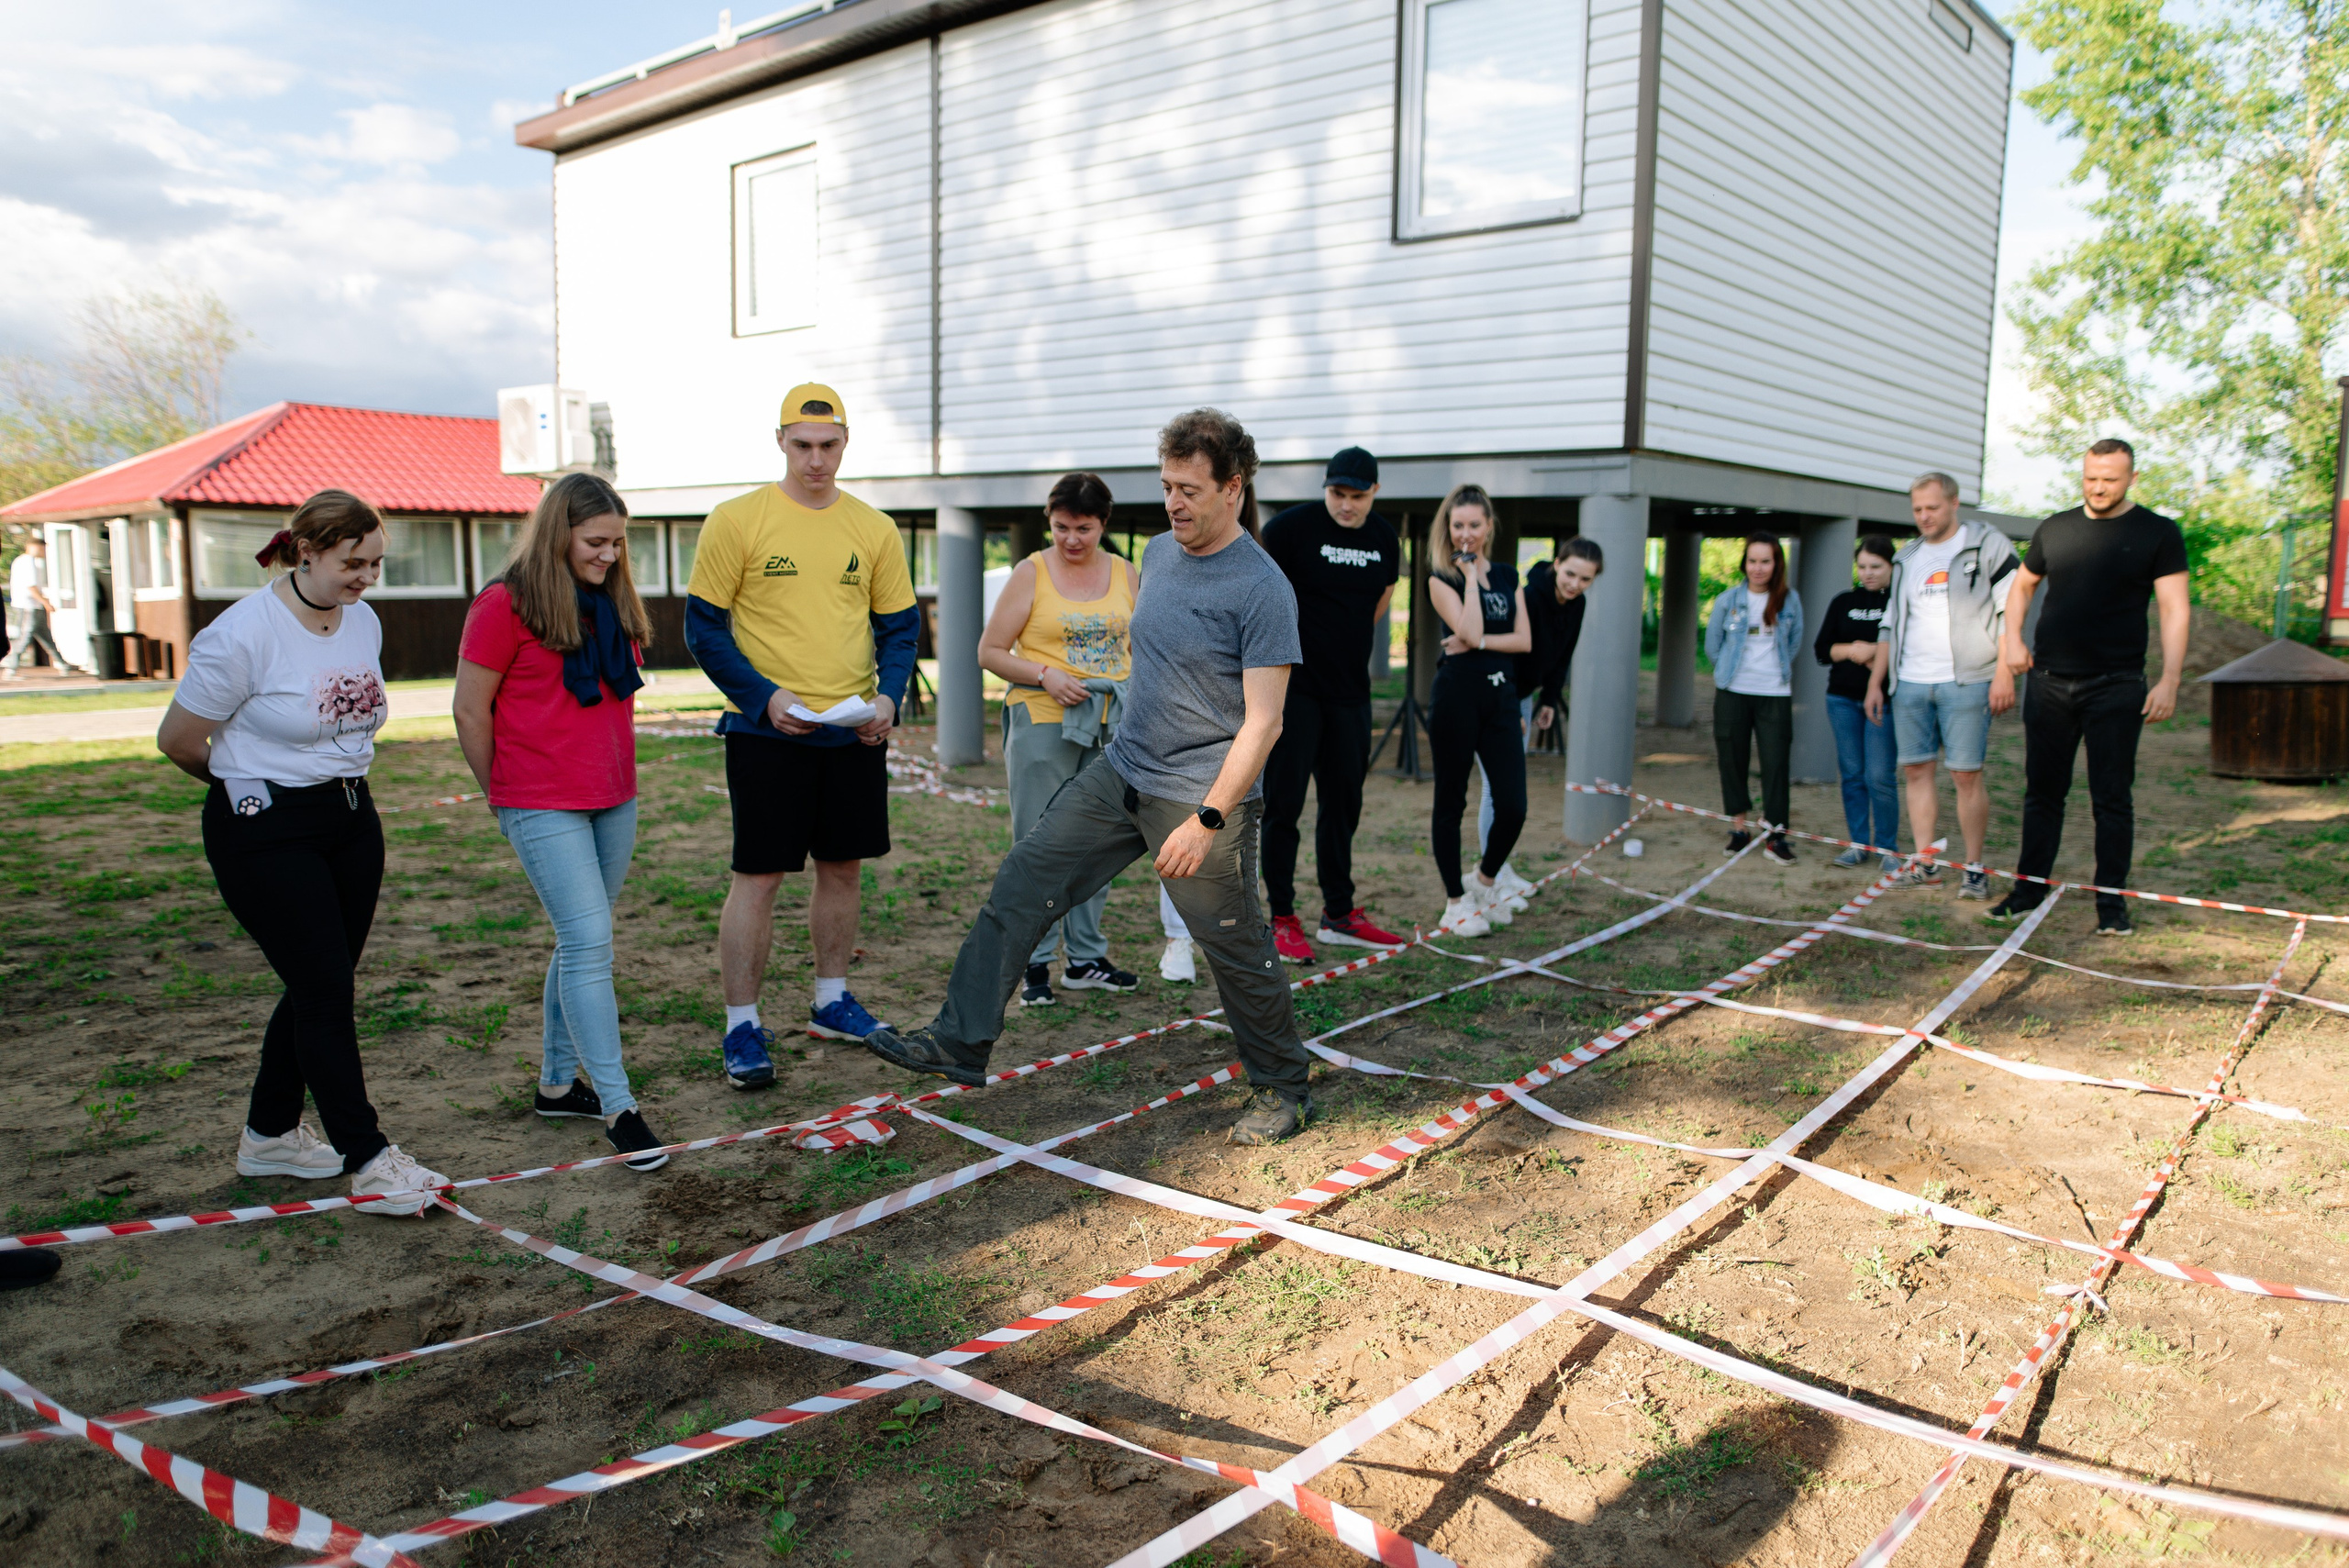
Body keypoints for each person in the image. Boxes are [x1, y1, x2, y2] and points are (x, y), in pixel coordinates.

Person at [863, 408, 1316, 1146]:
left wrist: (1206, 820)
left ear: (1233, 487)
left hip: (1200, 797)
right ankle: (958, 1039)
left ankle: (1283, 1088)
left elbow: (1264, 722)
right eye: (1166, 486)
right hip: (1122, 770)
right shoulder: (1160, 554)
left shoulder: (1262, 588)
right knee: (1022, 881)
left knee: (1235, 945)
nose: (1173, 503)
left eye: (1190, 489)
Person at [154, 489, 445, 1215]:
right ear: (306, 551)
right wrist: (251, 786)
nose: (366, 578)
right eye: (353, 563)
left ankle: (271, 1135)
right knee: (323, 989)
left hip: (351, 818)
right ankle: (370, 1160)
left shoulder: (363, 619)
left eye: (376, 563)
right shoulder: (241, 634)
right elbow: (180, 740)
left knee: (320, 981)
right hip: (266, 828)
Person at [684, 384, 920, 1088]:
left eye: (829, 445)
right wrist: (763, 697)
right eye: (803, 445)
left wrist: (888, 697)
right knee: (759, 876)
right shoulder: (737, 520)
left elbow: (900, 628)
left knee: (842, 868)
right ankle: (741, 1024)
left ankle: (830, 1000)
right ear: (781, 441)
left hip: (852, 733)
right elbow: (703, 629)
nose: (816, 459)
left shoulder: (874, 528)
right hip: (768, 731)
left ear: (845, 443)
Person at [453, 473, 669, 1173]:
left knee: (581, 939)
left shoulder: (610, 598)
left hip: (613, 795)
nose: (610, 554)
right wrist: (502, 794)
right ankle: (619, 1107)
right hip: (540, 799)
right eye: (596, 541)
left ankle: (555, 1084)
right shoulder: (503, 604)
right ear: (558, 533)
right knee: (589, 942)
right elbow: (469, 710)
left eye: (617, 543)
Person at [1985, 438, 2189, 937]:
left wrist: (2170, 680)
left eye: (2110, 480)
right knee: (2042, 794)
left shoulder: (2158, 533)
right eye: (2090, 478)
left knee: (2112, 799)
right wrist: (2013, 640)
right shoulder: (2055, 527)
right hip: (2049, 683)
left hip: (2117, 685)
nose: (2098, 488)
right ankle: (2028, 890)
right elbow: (2022, 586)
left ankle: (2111, 906)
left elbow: (2174, 608)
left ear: (2132, 479)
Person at [978, 472, 1142, 1007]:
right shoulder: (1030, 572)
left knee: (1100, 840)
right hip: (1043, 720)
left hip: (1111, 723)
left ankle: (1086, 958)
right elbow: (990, 651)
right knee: (1040, 843)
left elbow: (1144, 646)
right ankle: (1034, 961)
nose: (1072, 539)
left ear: (1103, 523)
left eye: (1084, 528)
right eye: (1061, 527)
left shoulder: (1126, 573)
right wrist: (1045, 674)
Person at [1258, 447, 1406, 963]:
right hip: (1294, 692)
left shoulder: (1384, 538)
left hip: (1350, 695)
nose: (1346, 504)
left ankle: (1339, 914)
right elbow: (1261, 596)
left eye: (1357, 496)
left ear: (1374, 493)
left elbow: (1378, 602)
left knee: (1343, 806)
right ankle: (1281, 916)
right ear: (1325, 488)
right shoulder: (1288, 530)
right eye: (1337, 493)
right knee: (1284, 806)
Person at [1864, 475, 2016, 898]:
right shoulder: (1906, 557)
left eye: (1932, 507)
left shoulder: (1986, 545)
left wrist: (2005, 672)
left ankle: (1974, 868)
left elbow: (2011, 610)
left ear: (1954, 502)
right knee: (1916, 771)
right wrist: (1877, 682)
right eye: (1917, 509)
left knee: (1966, 774)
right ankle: (1925, 863)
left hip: (1967, 680)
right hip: (1910, 682)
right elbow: (1891, 622)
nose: (1924, 517)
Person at [1425, 484, 1532, 936]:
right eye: (1458, 525)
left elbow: (1523, 641)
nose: (1465, 534)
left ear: (1489, 526)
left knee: (1513, 805)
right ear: (1448, 528)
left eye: (1474, 524)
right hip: (1457, 697)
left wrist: (1482, 642)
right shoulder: (1440, 579)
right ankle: (1455, 902)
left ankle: (1484, 882)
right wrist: (1469, 577)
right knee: (1451, 801)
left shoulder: (1508, 575)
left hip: (1501, 697)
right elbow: (1465, 630)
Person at [1477, 535, 1604, 906]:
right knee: (1496, 789)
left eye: (1585, 579)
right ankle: (1490, 877)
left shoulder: (1577, 604)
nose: (1575, 584)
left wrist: (1549, 698)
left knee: (1508, 789)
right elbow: (1507, 655)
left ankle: (1499, 868)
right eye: (1570, 574)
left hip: (1524, 696)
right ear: (1556, 564)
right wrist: (1508, 708)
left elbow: (1564, 655)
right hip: (1498, 693)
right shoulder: (1529, 597)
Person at [1704, 534, 1803, 863]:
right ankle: (1739, 830)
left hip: (1774, 692)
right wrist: (1729, 672)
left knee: (1776, 763)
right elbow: (1713, 646)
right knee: (1732, 759)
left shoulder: (1790, 600)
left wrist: (1773, 672)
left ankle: (1775, 836)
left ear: (1776, 565)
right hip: (1733, 691)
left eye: (1765, 561)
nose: (1758, 568)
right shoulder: (1728, 600)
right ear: (1744, 563)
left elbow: (1794, 642)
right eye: (1752, 561)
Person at [1815, 535, 1900, 872]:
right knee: (1852, 774)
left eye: (1876, 566)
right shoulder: (1843, 601)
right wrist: (1855, 650)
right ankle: (1859, 844)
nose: (1868, 573)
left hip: (1884, 701)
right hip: (1841, 700)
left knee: (1879, 775)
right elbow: (1823, 650)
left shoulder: (1898, 601)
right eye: (1862, 566)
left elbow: (1907, 647)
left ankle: (1888, 848)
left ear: (1892, 566)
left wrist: (1875, 650)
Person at [3, 536, 72, 679]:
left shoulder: (21, 561)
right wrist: (45, 602)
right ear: (36, 547)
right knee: (25, 637)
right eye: (43, 549)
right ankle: (11, 669)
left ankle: (62, 664)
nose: (44, 552)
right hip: (28, 607)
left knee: (45, 636)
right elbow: (31, 587)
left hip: (31, 606)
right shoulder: (28, 562)